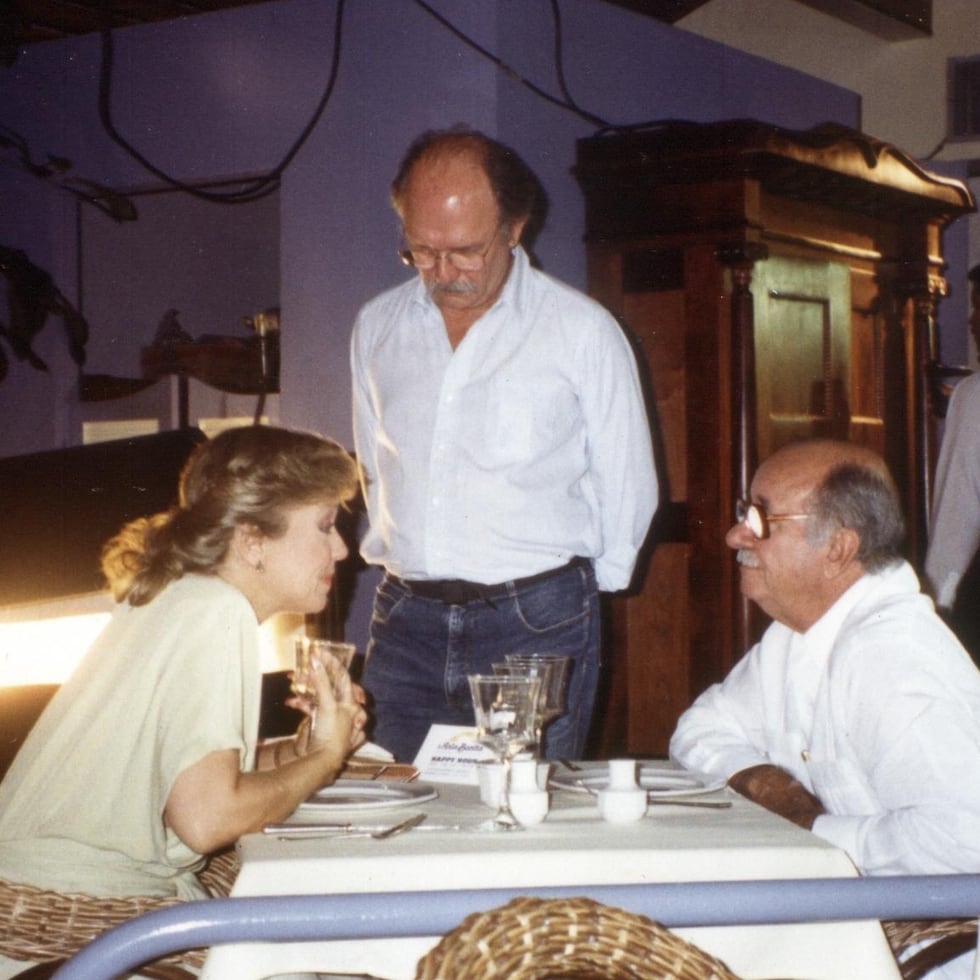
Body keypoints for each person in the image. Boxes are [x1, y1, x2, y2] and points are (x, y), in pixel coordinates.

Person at [0, 425, 367, 975]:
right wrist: (326, 758)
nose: (341, 548)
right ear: (252, 541)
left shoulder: (183, 593)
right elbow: (205, 819)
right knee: (312, 957)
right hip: (72, 908)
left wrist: (300, 750)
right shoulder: (217, 612)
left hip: (41, 896)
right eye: (324, 525)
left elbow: (180, 780)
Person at [351, 127, 658, 763]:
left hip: (533, 624)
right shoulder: (377, 326)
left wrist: (574, 596)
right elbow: (376, 466)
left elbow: (627, 481)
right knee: (385, 800)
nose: (442, 273)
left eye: (465, 251)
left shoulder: (581, 331)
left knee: (520, 809)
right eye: (421, 251)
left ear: (515, 228)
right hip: (405, 622)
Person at [670, 438, 980, 978]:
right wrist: (768, 784)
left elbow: (966, 840)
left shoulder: (893, 656)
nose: (735, 535)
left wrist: (815, 830)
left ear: (838, 547)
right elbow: (698, 730)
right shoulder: (799, 635)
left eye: (760, 518)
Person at [925, 261, 980, 662]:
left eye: (979, 307)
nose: (972, 322)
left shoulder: (974, 396)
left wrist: (938, 604)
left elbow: (957, 515)